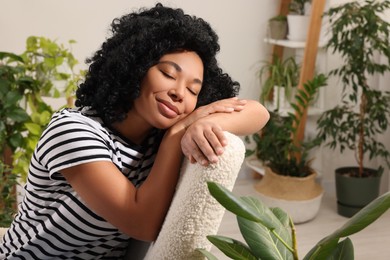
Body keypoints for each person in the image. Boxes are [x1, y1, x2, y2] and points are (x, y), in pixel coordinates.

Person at [0, 3, 269, 259]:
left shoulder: (156, 134)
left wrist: (203, 122)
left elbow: (258, 112)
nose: (178, 93)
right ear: (134, 67)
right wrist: (176, 135)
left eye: (193, 90)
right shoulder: (73, 131)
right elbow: (142, 224)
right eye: (168, 74)